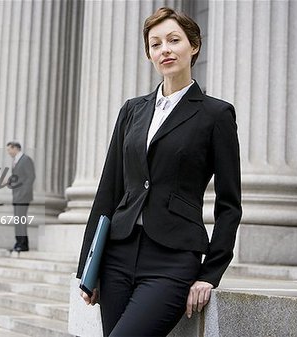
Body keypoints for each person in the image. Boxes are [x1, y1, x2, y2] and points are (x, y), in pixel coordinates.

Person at [76, 7, 242, 337]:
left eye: (173, 40)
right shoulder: (132, 110)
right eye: (155, 44)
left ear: (193, 46)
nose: (164, 49)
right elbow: (109, 189)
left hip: (172, 261)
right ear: (149, 54)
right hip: (118, 256)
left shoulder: (216, 115)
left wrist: (210, 273)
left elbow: (229, 205)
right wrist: (88, 268)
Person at [6, 141, 36, 252]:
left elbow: (30, 177)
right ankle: (19, 243)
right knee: (18, 220)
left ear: (15, 148)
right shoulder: (16, 161)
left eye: (9, 149)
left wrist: (23, 193)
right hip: (17, 196)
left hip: (23, 196)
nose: (8, 152)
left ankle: (22, 244)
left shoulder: (25, 160)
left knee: (20, 220)